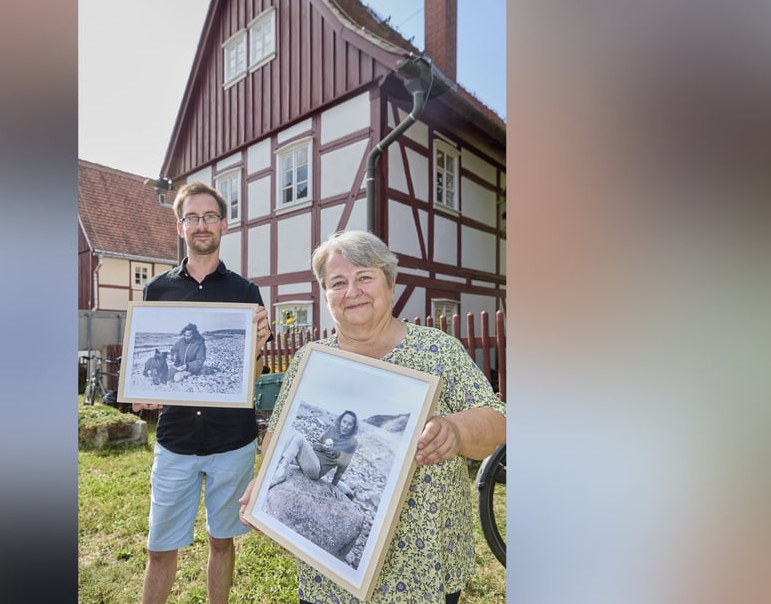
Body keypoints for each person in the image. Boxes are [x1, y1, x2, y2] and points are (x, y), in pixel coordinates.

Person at [240, 230, 506, 604]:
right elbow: (281, 435)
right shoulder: (310, 360)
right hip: (330, 575)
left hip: (423, 568)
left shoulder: (437, 350)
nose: (353, 291)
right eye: (338, 283)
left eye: (365, 277)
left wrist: (457, 431)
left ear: (391, 282)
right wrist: (265, 482)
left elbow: (500, 422)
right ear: (325, 293)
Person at [133, 182, 271, 604]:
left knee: (221, 541)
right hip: (175, 440)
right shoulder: (157, 291)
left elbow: (255, 376)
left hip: (232, 440)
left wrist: (259, 348)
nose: (201, 225)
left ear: (224, 225)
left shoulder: (245, 293)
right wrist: (142, 390)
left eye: (209, 216)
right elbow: (150, 371)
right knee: (160, 548)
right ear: (180, 227)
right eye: (192, 217)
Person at [268, 410, 359, 499]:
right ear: (341, 421)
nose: (345, 426)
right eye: (344, 422)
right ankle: (276, 465)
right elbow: (315, 445)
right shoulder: (332, 429)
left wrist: (334, 484)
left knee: (299, 437)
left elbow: (343, 466)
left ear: (353, 427)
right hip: (309, 461)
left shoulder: (352, 442)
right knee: (293, 432)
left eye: (349, 424)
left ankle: (279, 473)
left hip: (316, 470)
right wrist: (324, 447)